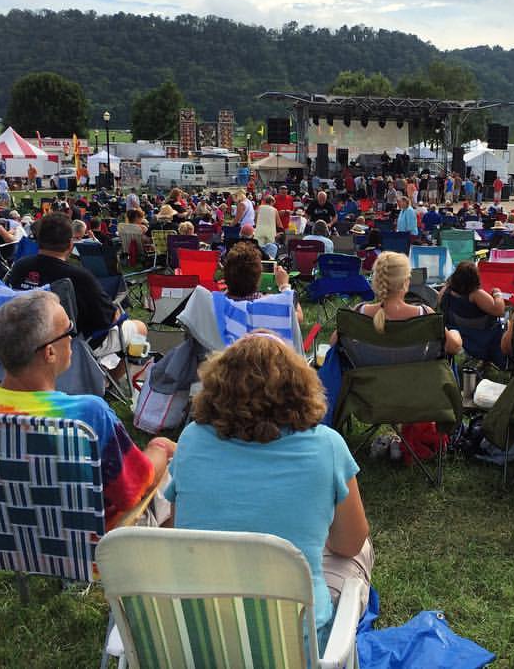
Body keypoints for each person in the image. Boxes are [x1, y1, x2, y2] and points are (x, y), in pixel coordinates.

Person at [166, 334, 373, 648]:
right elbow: (349, 544)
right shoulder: (328, 446)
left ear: (217, 385)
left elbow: (179, 530)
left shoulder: (191, 439)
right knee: (360, 548)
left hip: (200, 638)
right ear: (300, 386)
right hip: (296, 646)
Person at [0, 291, 174, 529]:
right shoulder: (86, 415)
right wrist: (160, 447)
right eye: (69, 330)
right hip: (83, 543)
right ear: (50, 352)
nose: (73, 337)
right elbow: (133, 490)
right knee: (174, 464)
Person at [6, 212, 146, 371]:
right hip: (72, 344)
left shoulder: (20, 267)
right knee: (140, 328)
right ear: (70, 244)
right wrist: (117, 314)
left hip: (28, 339)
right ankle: (110, 380)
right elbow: (107, 319)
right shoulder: (79, 277)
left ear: (39, 241)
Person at [331, 251, 462, 355]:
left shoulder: (359, 313)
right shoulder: (424, 314)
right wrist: (455, 333)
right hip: (415, 379)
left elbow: (333, 344)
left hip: (366, 380)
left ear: (376, 281)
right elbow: (454, 348)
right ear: (406, 282)